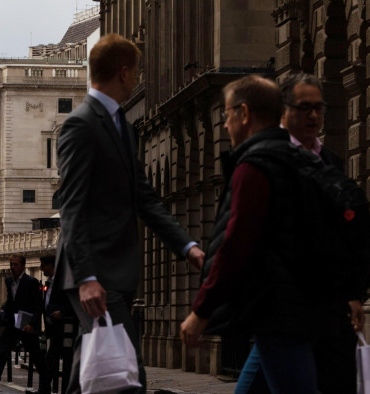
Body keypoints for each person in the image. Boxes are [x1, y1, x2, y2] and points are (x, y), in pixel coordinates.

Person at [179, 75, 352, 393]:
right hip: (303, 309)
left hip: (280, 314)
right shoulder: (305, 161)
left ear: (244, 113)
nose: (226, 124)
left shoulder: (256, 166)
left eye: (227, 114)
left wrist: (201, 311)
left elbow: (236, 244)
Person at [55, 33, 205, 394]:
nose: (138, 78)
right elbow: (71, 205)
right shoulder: (81, 124)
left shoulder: (120, 123)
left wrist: (188, 248)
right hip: (95, 273)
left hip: (115, 272)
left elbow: (145, 198)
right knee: (126, 374)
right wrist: (88, 277)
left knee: (93, 372)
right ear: (123, 72)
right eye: (136, 71)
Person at [229, 73, 367, 394]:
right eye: (304, 108)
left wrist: (355, 291)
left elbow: (353, 234)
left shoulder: (331, 163)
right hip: (282, 310)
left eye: (318, 108)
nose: (314, 116)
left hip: (325, 310)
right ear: (283, 111)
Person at [0, 254, 50, 393]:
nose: (13, 267)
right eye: (11, 264)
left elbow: (38, 306)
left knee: (37, 358)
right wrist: (4, 313)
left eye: (16, 264)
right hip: (12, 325)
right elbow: (11, 302)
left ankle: (45, 389)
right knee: (0, 355)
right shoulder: (9, 281)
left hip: (26, 325)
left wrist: (33, 324)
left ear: (23, 266)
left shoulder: (31, 282)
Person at [39, 255, 72, 394]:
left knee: (67, 363)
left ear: (51, 266)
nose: (41, 268)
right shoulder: (48, 283)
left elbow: (72, 302)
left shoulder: (63, 281)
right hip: (53, 328)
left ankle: (65, 389)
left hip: (66, 329)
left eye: (44, 265)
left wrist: (62, 313)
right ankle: (44, 389)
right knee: (50, 362)